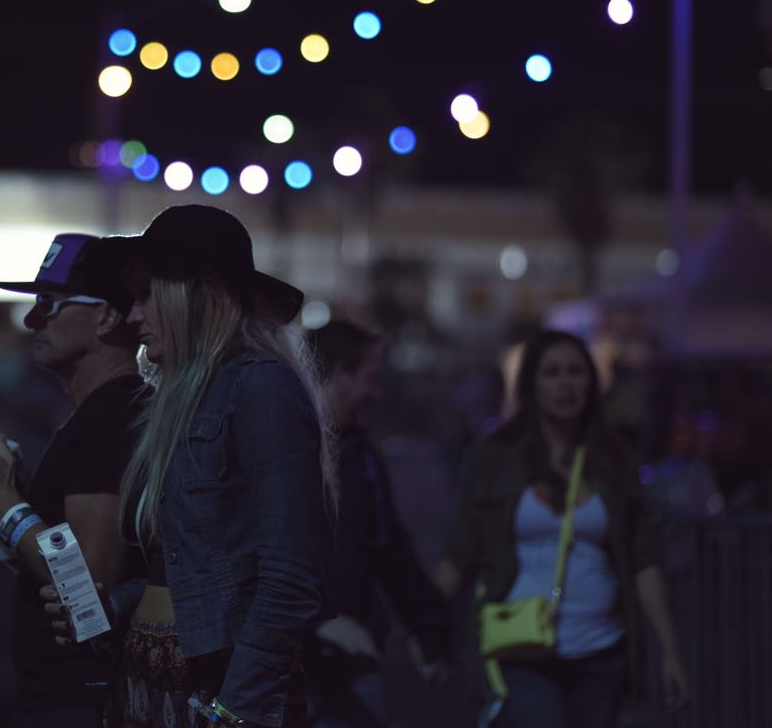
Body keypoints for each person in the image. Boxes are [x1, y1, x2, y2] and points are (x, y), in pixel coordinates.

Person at [43, 204, 334, 728]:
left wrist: (236, 711)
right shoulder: (180, 400)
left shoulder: (260, 387)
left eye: (145, 293)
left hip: (216, 693)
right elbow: (178, 568)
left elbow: (287, 579)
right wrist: (113, 610)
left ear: (196, 292)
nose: (132, 315)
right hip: (150, 690)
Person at [433, 330, 689, 728]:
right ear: (531, 384)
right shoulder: (494, 458)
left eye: (576, 372)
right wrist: (424, 624)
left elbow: (644, 559)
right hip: (519, 648)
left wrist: (671, 652)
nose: (565, 383)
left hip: (600, 653)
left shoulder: (614, 458)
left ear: (592, 381)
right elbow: (460, 552)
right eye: (552, 373)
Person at [0, 233, 148, 727]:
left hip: (82, 695)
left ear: (107, 316)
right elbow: (60, 568)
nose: (32, 319)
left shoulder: (111, 417)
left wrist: (3, 503)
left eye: (50, 303)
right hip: (68, 690)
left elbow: (87, 593)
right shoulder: (97, 413)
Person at [305, 320, 450, 728]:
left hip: (354, 656)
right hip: (296, 661)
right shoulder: (291, 449)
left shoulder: (362, 456)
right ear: (338, 373)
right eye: (370, 378)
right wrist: (315, 622)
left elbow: (390, 550)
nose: (377, 392)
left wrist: (430, 629)